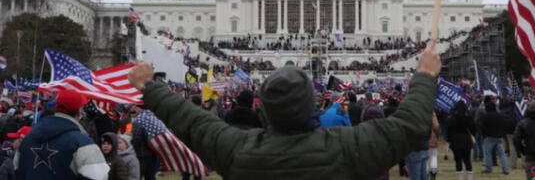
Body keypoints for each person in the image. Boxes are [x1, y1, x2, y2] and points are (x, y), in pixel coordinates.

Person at [127, 43, 442, 179]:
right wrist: (425, 75)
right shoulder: (346, 149)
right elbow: (411, 124)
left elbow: (192, 122)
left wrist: (151, 87)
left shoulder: (238, 151)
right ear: (311, 105)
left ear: (265, 110)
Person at [15, 90, 110, 179]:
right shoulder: (83, 143)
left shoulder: (28, 138)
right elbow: (99, 177)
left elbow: (17, 169)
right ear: (79, 111)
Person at [446, 100, 476, 180]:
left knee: (458, 160)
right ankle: (469, 177)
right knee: (467, 160)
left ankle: (460, 178)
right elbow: (473, 128)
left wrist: (449, 141)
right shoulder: (468, 117)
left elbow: (448, 130)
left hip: (455, 141)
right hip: (466, 140)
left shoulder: (451, 118)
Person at [131, 105, 161, 180]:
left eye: (135, 107)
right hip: (154, 153)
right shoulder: (154, 118)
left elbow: (136, 138)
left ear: (139, 108)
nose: (134, 109)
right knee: (150, 176)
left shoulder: (139, 120)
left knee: (138, 175)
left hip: (142, 154)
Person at [481, 101, 509, 175]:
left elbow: (483, 127)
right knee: (502, 154)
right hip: (499, 137)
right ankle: (505, 169)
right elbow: (504, 125)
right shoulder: (499, 115)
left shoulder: (486, 116)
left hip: (489, 137)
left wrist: (484, 135)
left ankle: (488, 168)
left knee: (488, 153)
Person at [427, 113, 440, 180]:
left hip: (421, 138)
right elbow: (436, 126)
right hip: (432, 137)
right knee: (433, 156)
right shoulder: (432, 113)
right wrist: (437, 136)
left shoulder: (418, 111)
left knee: (425, 158)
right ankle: (433, 173)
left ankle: (425, 173)